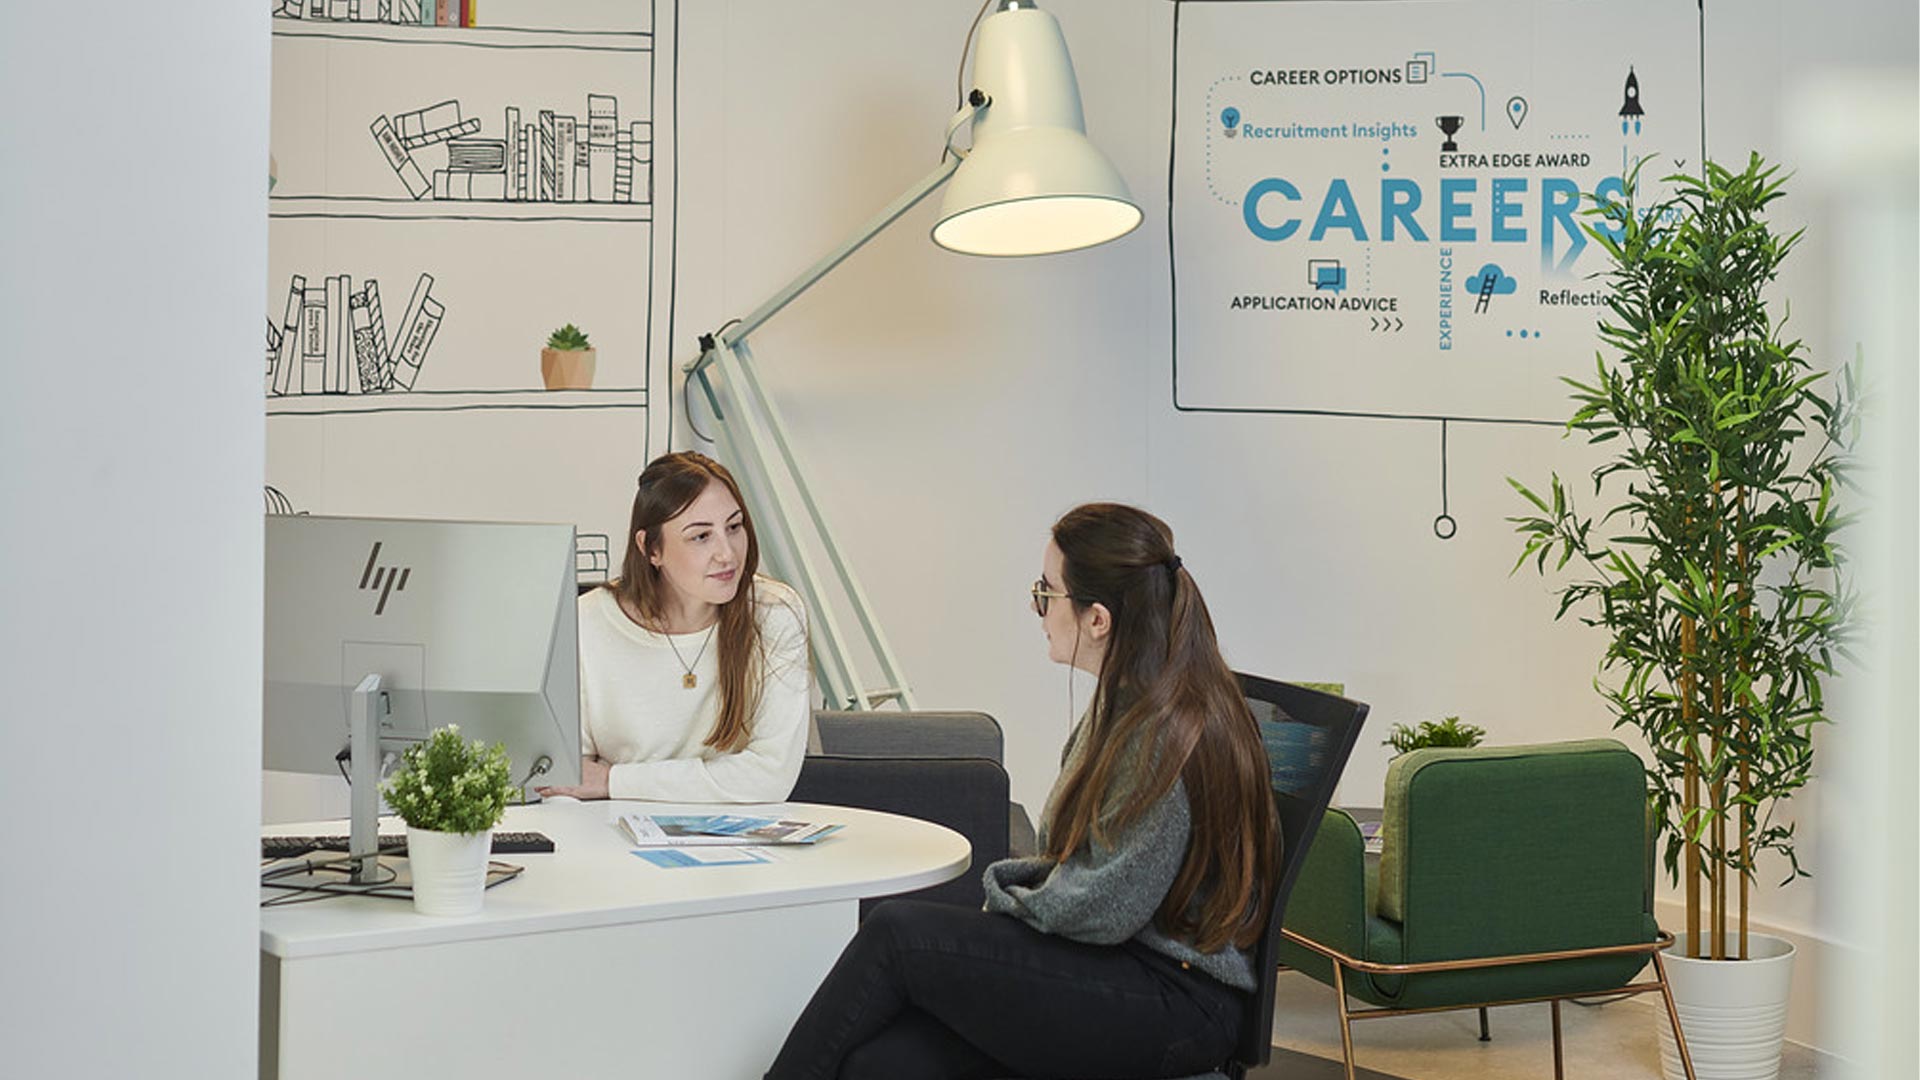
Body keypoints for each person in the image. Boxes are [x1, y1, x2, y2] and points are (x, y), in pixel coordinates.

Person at [764, 503, 1278, 1080]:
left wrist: (1005, 894)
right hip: (1122, 965)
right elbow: (1084, 873)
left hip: (1174, 1004)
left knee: (897, 934)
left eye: (1046, 593)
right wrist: (1017, 896)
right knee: (878, 1063)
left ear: (1097, 619)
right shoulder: (1133, 698)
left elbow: (1105, 908)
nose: (1039, 610)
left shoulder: (1164, 731)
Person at [536, 451, 811, 804]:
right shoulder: (584, 623)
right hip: (609, 828)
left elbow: (770, 776)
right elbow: (568, 779)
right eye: (701, 536)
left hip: (740, 832)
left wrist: (614, 781)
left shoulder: (774, 613)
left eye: (734, 527)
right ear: (651, 549)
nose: (727, 554)